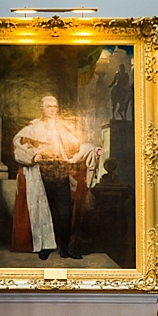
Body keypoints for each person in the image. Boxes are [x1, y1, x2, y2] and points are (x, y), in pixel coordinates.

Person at [11, 97, 102, 261]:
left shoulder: (63, 127)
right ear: (43, 109)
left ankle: (65, 249)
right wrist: (33, 154)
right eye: (49, 107)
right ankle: (45, 247)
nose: (52, 109)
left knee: (65, 211)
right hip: (41, 171)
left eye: (55, 106)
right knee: (44, 210)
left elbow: (77, 147)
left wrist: (93, 150)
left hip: (60, 170)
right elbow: (19, 145)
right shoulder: (34, 127)